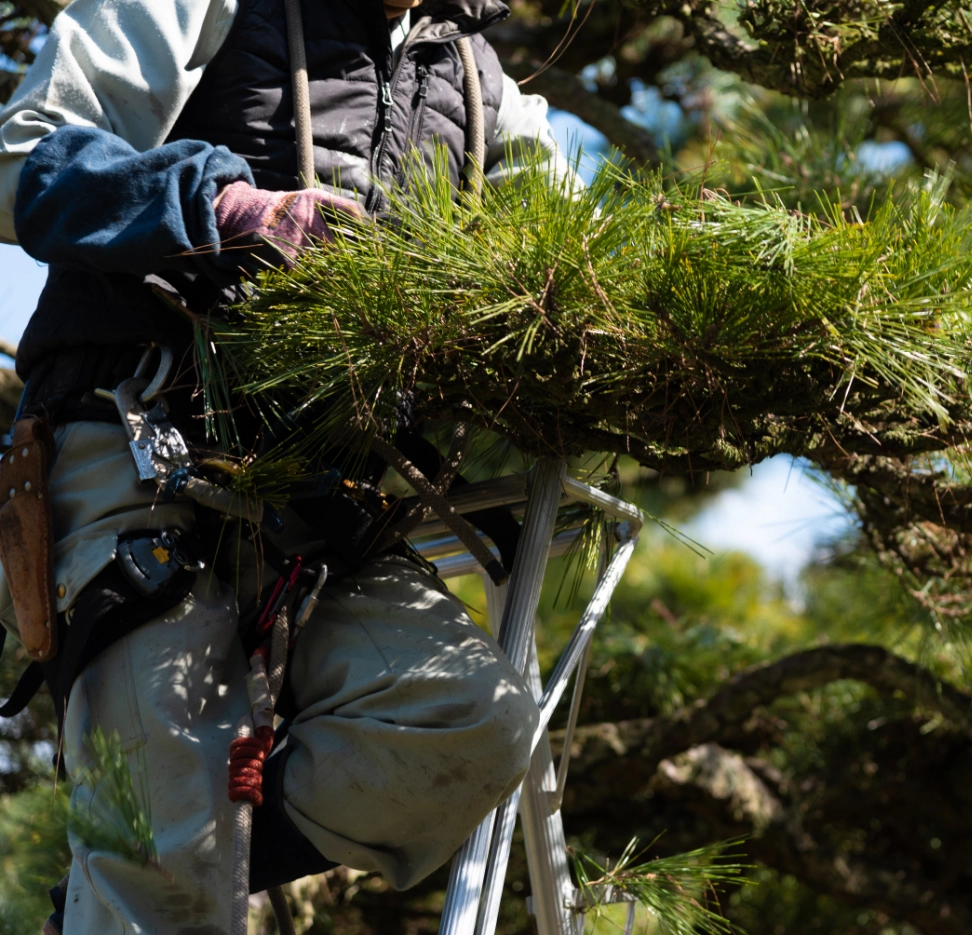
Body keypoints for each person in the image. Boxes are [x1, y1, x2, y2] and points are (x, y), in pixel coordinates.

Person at [0, 0, 570, 929]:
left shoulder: (478, 82)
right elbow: (22, 154)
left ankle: (143, 880)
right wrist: (230, 208)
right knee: (164, 850)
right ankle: (152, 876)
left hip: (326, 508)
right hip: (141, 452)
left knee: (471, 720)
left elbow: (567, 259)